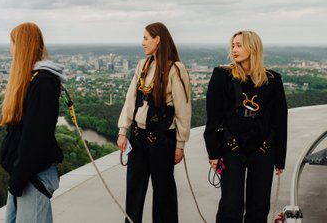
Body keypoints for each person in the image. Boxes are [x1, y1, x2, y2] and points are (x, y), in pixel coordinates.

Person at [204, 30, 287, 223]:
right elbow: (213, 117)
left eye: (239, 45)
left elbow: (280, 120)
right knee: (230, 206)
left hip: (263, 149)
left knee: (258, 208)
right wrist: (213, 152)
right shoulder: (222, 76)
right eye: (233, 45)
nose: (234, 49)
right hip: (231, 148)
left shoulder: (273, 80)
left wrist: (279, 159)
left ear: (253, 47)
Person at [117, 22, 191, 223]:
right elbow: (131, 98)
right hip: (139, 138)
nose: (142, 43)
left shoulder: (176, 69)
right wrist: (123, 130)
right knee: (134, 191)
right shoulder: (143, 65)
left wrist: (180, 144)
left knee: (163, 194)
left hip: (161, 140)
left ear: (157, 40)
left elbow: (183, 110)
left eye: (145, 38)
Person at [0, 22, 67, 223]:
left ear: (21, 46)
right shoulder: (32, 79)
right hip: (23, 176)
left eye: (12, 43)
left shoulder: (43, 82)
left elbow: (36, 139)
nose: (10, 48)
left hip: (32, 177)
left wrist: (19, 179)